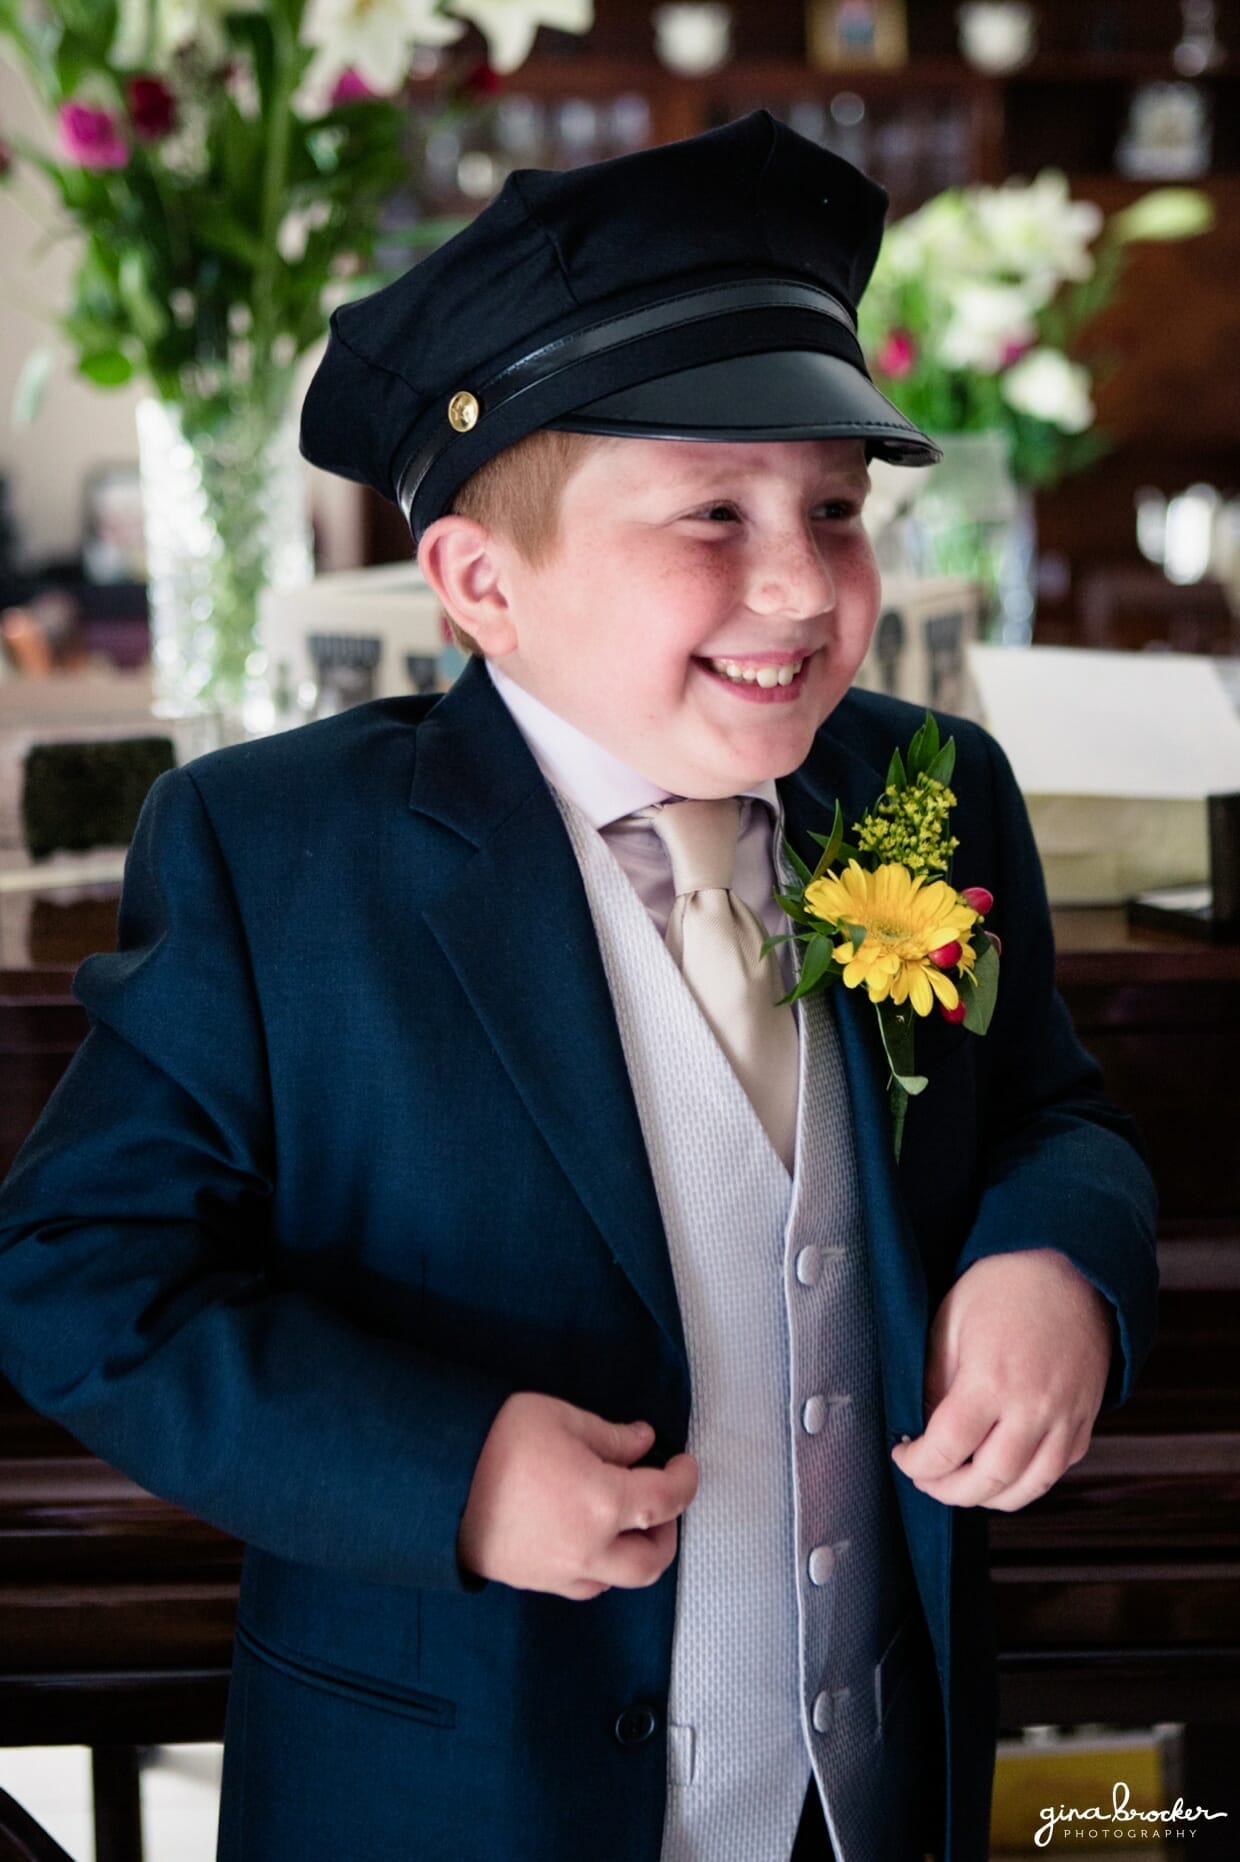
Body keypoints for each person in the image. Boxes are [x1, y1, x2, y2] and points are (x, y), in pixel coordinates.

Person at [0, 112, 1157, 1862]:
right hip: (459, 1800)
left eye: (835, 510)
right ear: (480, 582)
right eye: (713, 511)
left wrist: (1054, 1253)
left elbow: (1050, 1107)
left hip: (866, 1797)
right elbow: (71, 1276)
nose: (802, 584)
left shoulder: (931, 792)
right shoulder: (282, 856)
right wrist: (439, 1470)